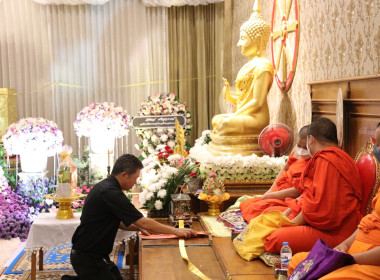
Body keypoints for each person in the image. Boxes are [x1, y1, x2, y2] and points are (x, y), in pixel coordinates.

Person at [61, 154, 196, 280]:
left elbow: (116, 221)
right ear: (125, 175)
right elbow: (143, 222)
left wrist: (137, 228)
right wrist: (176, 231)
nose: (135, 182)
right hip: (88, 257)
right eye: (135, 178)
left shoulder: (107, 186)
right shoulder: (111, 192)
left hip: (92, 255)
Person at [264, 118, 363, 254]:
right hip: (325, 223)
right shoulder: (340, 157)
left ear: (311, 139)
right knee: (272, 225)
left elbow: (320, 208)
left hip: (336, 233)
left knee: (274, 238)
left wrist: (291, 223)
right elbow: (311, 196)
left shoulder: (327, 160)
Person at [208, 0, 273, 156]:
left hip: (256, 118)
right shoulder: (249, 65)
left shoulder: (263, 66)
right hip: (245, 115)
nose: (239, 43)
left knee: (225, 123)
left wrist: (235, 115)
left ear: (257, 38)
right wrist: (230, 97)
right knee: (217, 119)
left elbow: (257, 102)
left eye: (243, 38)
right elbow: (244, 99)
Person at [288, 181, 380, 279]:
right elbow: (369, 220)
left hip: (371, 261)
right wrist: (344, 246)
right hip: (354, 251)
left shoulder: (328, 165)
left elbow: (326, 209)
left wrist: (349, 260)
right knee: (296, 262)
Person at [239, 125, 310, 223]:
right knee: (246, 204)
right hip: (279, 188)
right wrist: (271, 190)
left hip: (288, 197)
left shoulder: (314, 161)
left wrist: (271, 196)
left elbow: (296, 191)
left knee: (260, 210)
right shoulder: (296, 150)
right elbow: (285, 168)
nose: (301, 150)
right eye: (299, 145)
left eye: (305, 147)